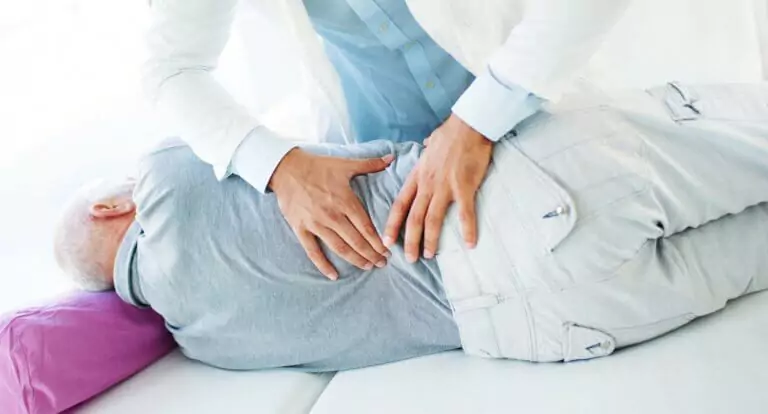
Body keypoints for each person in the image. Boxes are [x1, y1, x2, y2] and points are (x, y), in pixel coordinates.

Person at [55, 82, 768, 370]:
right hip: (504, 206)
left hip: (547, 327)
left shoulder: (210, 348)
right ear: (111, 208)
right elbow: (329, 155)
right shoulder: (166, 174)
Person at [145, 0, 633, 280]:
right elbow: (171, 69)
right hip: (392, 173)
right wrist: (279, 167)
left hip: (538, 106)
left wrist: (476, 123)